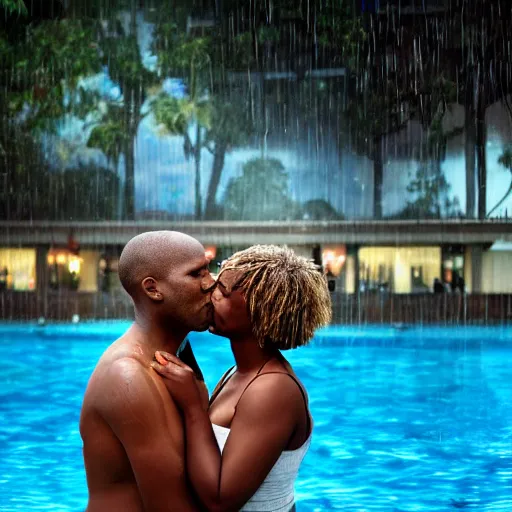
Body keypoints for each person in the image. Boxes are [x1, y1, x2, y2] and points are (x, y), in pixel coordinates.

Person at [152, 245, 332, 512]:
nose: (211, 293)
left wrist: (193, 409)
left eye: (222, 291)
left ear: (259, 312)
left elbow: (220, 500)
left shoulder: (273, 389)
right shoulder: (239, 372)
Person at [80, 230, 215, 512]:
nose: (211, 284)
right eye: (196, 274)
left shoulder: (177, 355)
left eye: (208, 270)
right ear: (153, 289)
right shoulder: (127, 377)